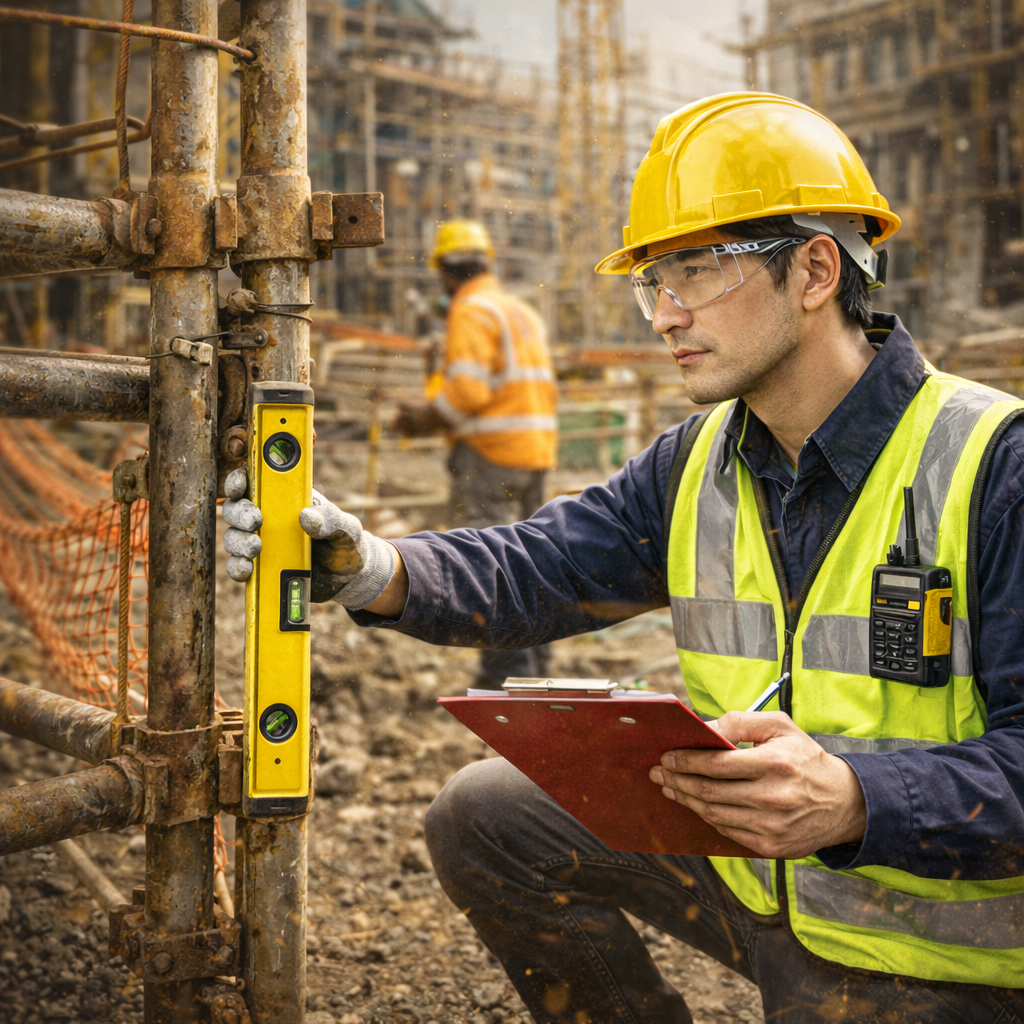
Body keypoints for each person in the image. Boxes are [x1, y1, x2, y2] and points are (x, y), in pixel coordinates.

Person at [222, 93, 1024, 1022]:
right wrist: (373, 565)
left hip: (942, 956)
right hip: (765, 884)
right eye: (653, 283)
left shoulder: (991, 465)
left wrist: (855, 798)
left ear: (813, 269)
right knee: (486, 816)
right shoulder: (700, 462)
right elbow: (540, 567)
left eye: (695, 271)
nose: (664, 315)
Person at [393, 219, 558, 688]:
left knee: (491, 568)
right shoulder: (517, 310)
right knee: (534, 563)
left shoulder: (470, 311)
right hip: (534, 453)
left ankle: (505, 677)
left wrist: (419, 420)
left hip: (491, 457)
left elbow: (465, 392)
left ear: (444, 273)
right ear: (489, 263)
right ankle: (537, 668)